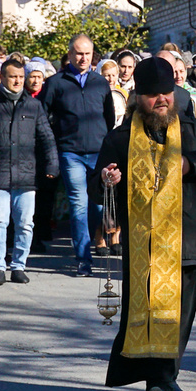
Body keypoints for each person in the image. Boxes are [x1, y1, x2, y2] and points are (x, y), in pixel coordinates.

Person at [98, 57, 196, 391]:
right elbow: (99, 181)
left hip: (187, 239)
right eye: (152, 95)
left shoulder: (195, 130)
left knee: (180, 315)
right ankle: (157, 383)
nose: (161, 100)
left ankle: (166, 376)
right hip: (142, 245)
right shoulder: (119, 138)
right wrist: (108, 181)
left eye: (166, 93)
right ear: (138, 98)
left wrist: (191, 164)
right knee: (148, 311)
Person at [44, 33, 117, 276]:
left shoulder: (100, 82)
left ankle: (89, 245)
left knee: (97, 205)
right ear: (70, 54)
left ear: (92, 54)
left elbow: (108, 116)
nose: (83, 57)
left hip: (98, 153)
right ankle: (83, 259)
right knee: (78, 204)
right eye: (78, 53)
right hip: (70, 152)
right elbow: (44, 117)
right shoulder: (56, 83)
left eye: (87, 53)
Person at [0, 58, 56, 285]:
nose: (18, 81)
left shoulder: (33, 105)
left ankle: (19, 266)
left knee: (25, 223)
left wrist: (52, 164)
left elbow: (46, 137)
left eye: (21, 77)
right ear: (2, 78)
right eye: (13, 76)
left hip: (26, 174)